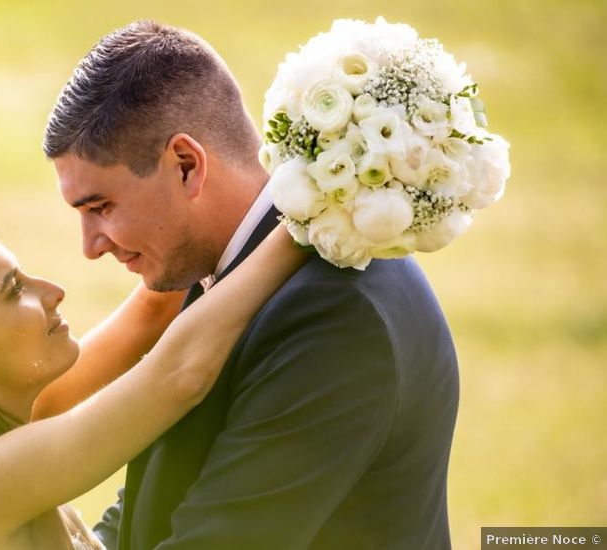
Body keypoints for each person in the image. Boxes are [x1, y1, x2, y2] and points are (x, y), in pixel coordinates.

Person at [43, 20, 460, 549]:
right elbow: (166, 487)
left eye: (101, 207)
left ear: (187, 165)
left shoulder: (333, 319)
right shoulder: (221, 263)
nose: (91, 245)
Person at [0, 215, 308, 549]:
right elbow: (179, 376)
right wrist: (312, 212)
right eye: (14, 290)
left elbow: (156, 306)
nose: (53, 291)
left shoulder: (18, 418)